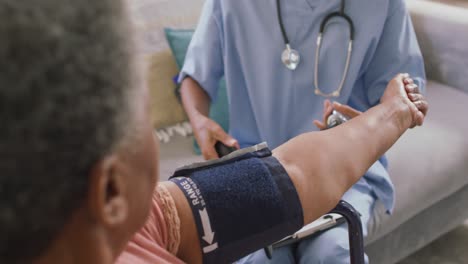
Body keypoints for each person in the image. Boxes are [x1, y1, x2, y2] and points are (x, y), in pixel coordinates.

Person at [0, 0, 428, 264]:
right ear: (110, 191)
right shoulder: (148, 220)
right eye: (143, 118)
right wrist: (391, 114)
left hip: (335, 171)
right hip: (271, 155)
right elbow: (290, 175)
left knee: (330, 251)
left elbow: (290, 176)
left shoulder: (146, 221)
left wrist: (389, 114)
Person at [179, 0, 427, 262]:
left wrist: (374, 121)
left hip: (343, 165)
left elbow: (403, 97)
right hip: (256, 171)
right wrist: (199, 120)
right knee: (260, 259)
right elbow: (195, 74)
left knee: (334, 251)